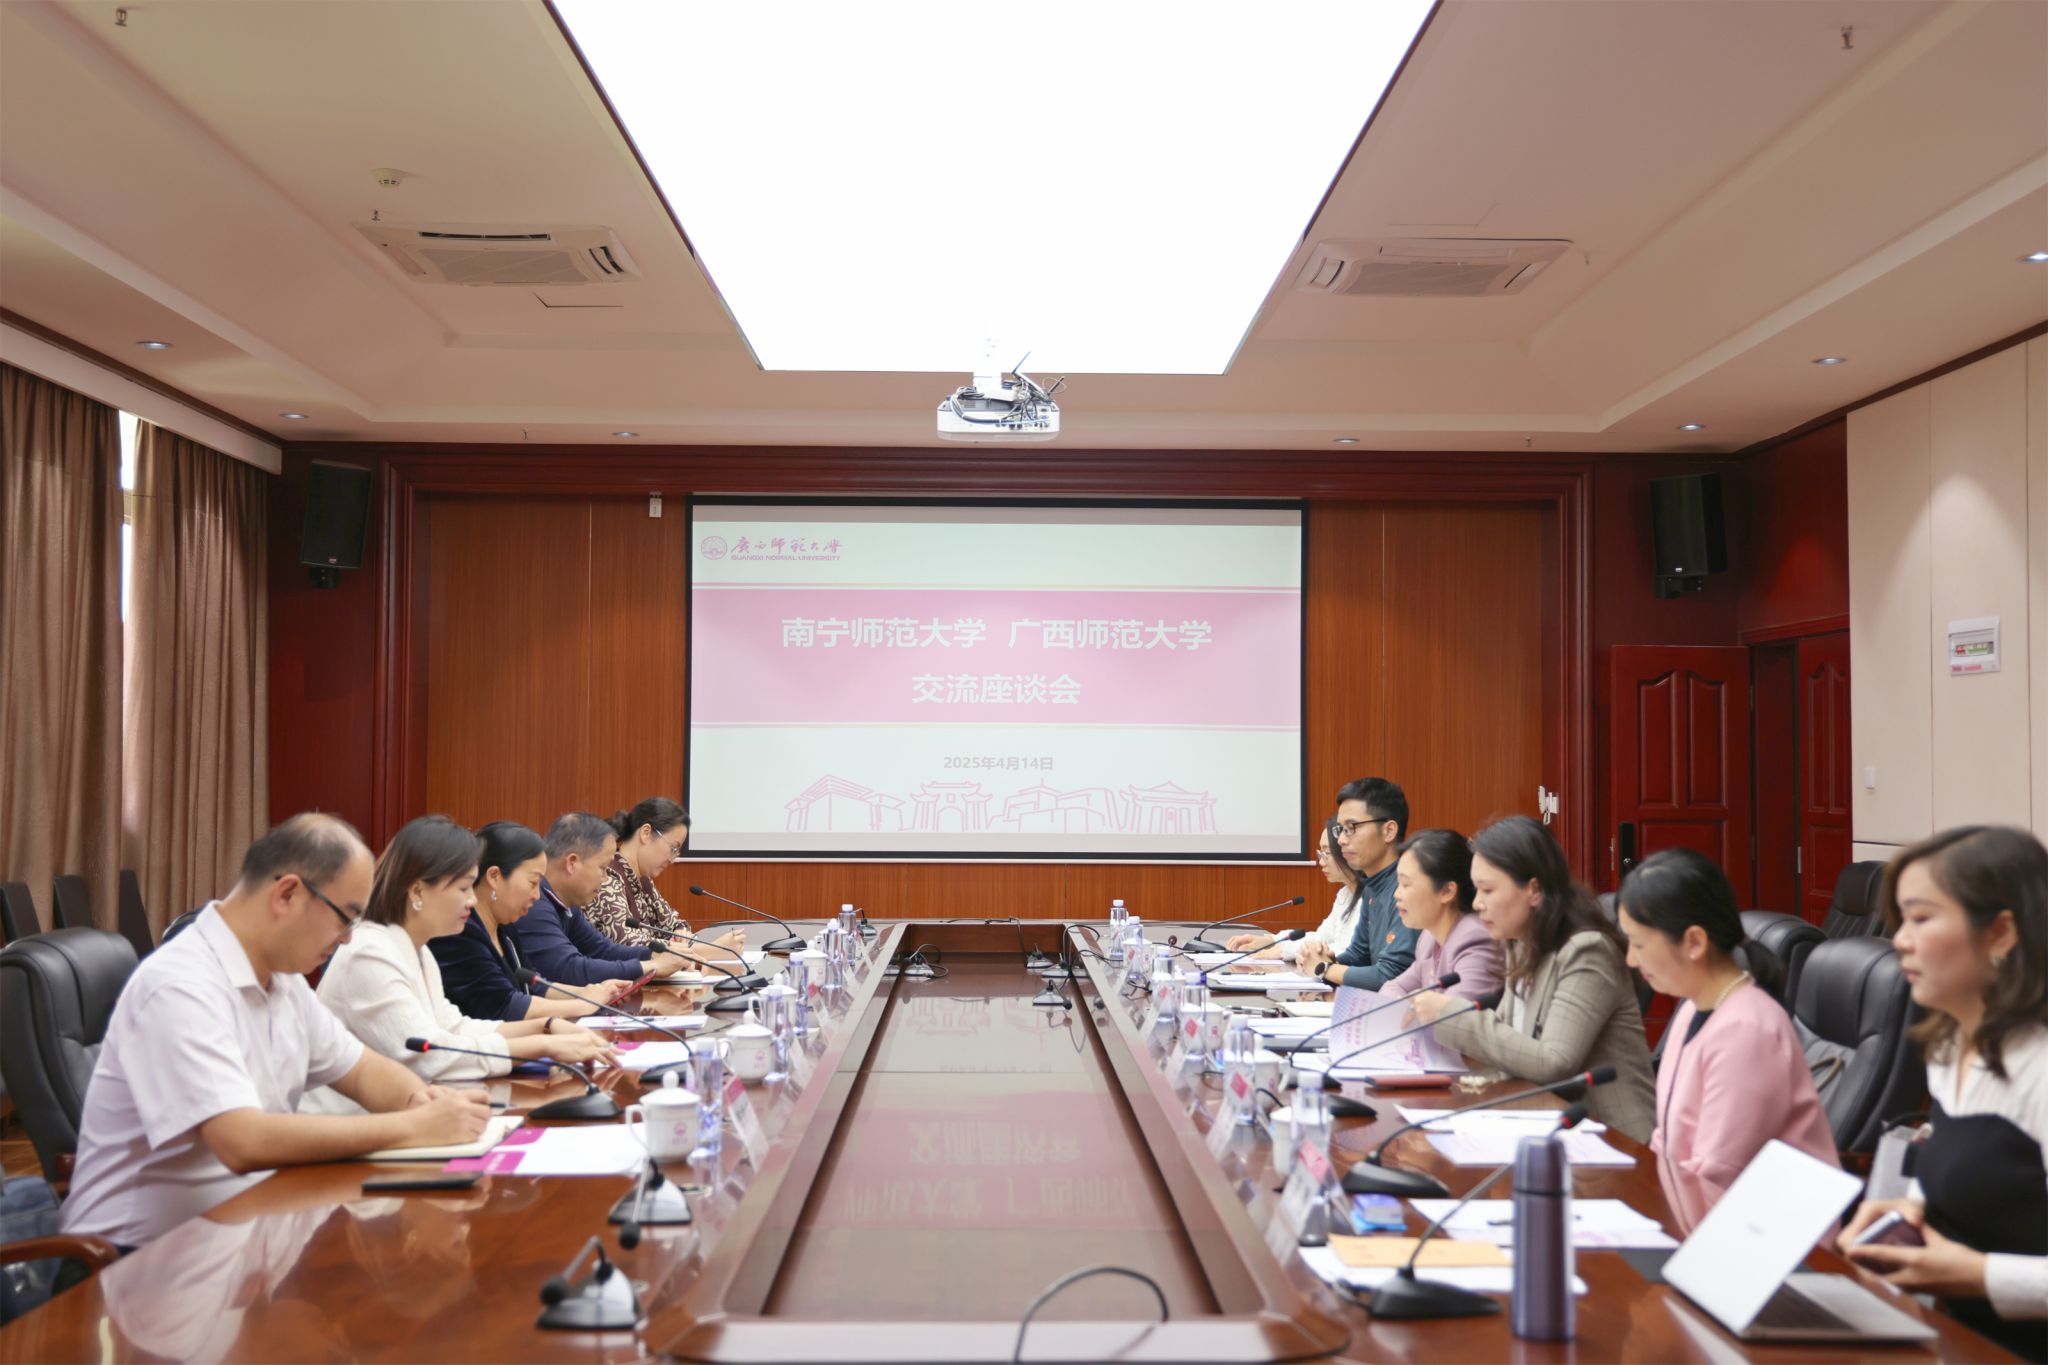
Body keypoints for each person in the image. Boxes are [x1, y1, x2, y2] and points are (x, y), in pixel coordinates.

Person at [60, 814, 491, 1248]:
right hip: (139, 1258)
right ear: (288, 893)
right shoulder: (181, 986)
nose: (347, 939)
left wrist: (420, 1100)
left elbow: (361, 1070)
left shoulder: (283, 981)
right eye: (346, 918)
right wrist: (413, 1126)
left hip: (248, 1227)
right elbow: (242, 1141)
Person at [1838, 826, 2047, 1359]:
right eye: (1901, 920)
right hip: (1960, 1341)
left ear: (2000, 932)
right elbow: (1976, 1180)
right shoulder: (1951, 1044)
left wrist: (1978, 1275)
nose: (1899, 940)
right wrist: (1906, 1212)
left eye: (1921, 918)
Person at [306, 816, 616, 1111]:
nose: (472, 900)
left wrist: (545, 1026)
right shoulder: (369, 952)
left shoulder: (417, 950)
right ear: (418, 890)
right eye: (463, 888)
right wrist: (542, 1045)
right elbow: (432, 1055)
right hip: (348, 1131)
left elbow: (455, 1028)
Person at [1615, 847, 1836, 1233]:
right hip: (1699, 1225)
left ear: (1694, 942)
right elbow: (1668, 1140)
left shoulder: (1748, 1029)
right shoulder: (1692, 1008)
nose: (1631, 960)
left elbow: (1718, 1174)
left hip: (1763, 1244)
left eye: (1639, 944)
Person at [1410, 815, 1656, 1142]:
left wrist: (1452, 1016)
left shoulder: (1586, 952)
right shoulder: (1522, 945)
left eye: (1487, 890)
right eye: (1476, 889)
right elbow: (1507, 1046)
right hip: (1546, 1127)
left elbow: (1555, 1062)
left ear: (1534, 890)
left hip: (1613, 1141)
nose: (1477, 903)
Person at [429, 821, 627, 1022]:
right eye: (533, 883)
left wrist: (590, 992)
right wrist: (584, 1004)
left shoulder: (505, 926)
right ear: (495, 876)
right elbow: (506, 1006)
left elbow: (535, 985)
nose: (537, 895)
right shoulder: (460, 931)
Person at [506, 812, 701, 988]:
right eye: (603, 868)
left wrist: (659, 953)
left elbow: (603, 950)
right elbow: (568, 969)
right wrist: (652, 966)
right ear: (572, 863)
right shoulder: (534, 903)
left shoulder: (566, 904)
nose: (606, 878)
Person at [584, 797, 745, 957]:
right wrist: (712, 950)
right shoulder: (607, 878)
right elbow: (629, 944)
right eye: (673, 848)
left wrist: (681, 935)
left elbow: (674, 925)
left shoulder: (643, 879)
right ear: (646, 833)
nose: (672, 859)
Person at [1297, 777, 1417, 990]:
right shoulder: (1372, 885)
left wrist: (1324, 968)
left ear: (1389, 831)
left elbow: (1390, 975)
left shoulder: (1409, 887)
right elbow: (1359, 955)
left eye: (1351, 827)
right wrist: (1326, 960)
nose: (1341, 840)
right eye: (1341, 829)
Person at [1378, 828, 1502, 1004]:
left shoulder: (1476, 939)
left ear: (1446, 891)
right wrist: (1408, 1006)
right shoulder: (1429, 937)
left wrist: (1408, 1006)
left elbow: (1453, 1016)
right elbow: (1392, 987)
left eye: (1406, 884)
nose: (1396, 894)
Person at [1226, 819, 1361, 962]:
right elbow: (1320, 938)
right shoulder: (1345, 894)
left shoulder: (1370, 898)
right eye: (1320, 853)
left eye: (1326, 852)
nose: (1321, 862)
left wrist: (1285, 951)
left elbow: (1346, 951)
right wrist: (1272, 941)